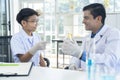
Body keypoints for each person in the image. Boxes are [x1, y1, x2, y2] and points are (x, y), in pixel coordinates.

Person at [62, 3, 120, 73]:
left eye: (86, 18)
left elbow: (111, 60)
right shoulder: (87, 37)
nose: (83, 21)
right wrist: (73, 64)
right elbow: (78, 56)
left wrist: (81, 55)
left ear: (98, 19)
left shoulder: (113, 33)